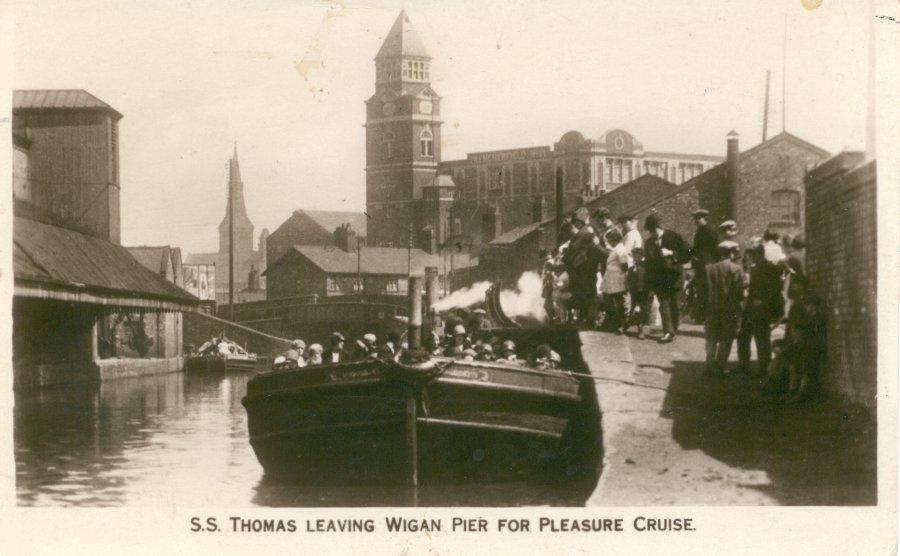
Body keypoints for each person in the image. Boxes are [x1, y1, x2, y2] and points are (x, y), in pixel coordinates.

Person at [736, 245, 785, 376]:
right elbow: (776, 287)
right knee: (760, 338)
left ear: (756, 255)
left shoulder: (760, 268)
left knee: (748, 337)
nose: (751, 259)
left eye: (752, 256)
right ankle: (763, 367)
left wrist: (761, 300)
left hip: (757, 309)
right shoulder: (769, 267)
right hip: (759, 308)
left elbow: (770, 288)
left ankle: (746, 366)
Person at [643, 213, 691, 343]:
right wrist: (649, 285)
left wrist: (672, 253)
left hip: (675, 277)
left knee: (675, 305)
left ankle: (673, 330)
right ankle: (669, 331)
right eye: (650, 230)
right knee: (664, 305)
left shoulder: (674, 237)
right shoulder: (648, 243)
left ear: (658, 226)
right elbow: (648, 265)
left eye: (652, 229)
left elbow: (688, 253)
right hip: (660, 279)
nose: (651, 233)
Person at [703, 241, 745, 375]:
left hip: (712, 308)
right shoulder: (736, 269)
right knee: (726, 339)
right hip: (729, 309)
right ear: (731, 253)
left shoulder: (708, 269)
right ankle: (720, 367)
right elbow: (739, 292)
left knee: (711, 339)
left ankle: (709, 365)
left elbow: (703, 290)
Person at [562, 207, 605, 327]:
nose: (573, 227)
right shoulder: (579, 234)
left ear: (579, 223)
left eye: (575, 223)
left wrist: (566, 260)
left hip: (585, 271)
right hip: (579, 271)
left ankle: (590, 320)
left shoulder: (585, 233)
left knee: (588, 296)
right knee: (581, 295)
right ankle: (584, 318)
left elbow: (575, 251)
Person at [689, 209, 718, 322]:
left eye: (697, 218)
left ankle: (706, 316)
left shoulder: (709, 231)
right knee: (701, 290)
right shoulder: (699, 231)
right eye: (695, 219)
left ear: (703, 218)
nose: (695, 221)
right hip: (700, 265)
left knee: (707, 290)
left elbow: (714, 249)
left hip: (707, 264)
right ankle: (701, 316)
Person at [600, 228, 630, 334]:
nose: (609, 242)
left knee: (619, 302)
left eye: (610, 240)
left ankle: (622, 324)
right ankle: (614, 323)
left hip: (617, 279)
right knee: (611, 301)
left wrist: (620, 275)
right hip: (612, 279)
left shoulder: (620, 249)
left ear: (614, 239)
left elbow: (625, 264)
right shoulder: (616, 248)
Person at [626, 247, 651, 339]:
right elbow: (629, 280)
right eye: (634, 256)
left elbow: (649, 280)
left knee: (644, 310)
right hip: (635, 292)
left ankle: (643, 331)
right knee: (635, 310)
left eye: (638, 256)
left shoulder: (646, 267)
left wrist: (651, 291)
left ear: (642, 256)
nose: (636, 258)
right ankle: (639, 329)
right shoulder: (632, 268)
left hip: (644, 291)